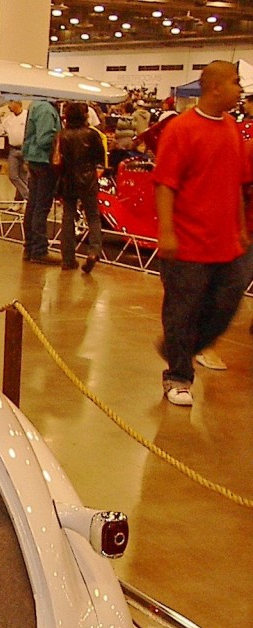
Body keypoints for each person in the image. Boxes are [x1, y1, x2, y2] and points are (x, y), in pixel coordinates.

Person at [151, 60, 253, 407]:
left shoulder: (232, 129)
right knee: (182, 310)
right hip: (187, 244)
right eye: (236, 82)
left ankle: (178, 347)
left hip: (226, 244)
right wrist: (167, 232)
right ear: (215, 87)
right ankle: (178, 377)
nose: (241, 89)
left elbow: (238, 185)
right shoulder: (181, 129)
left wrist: (240, 229)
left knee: (227, 302)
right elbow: (164, 184)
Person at [56, 102, 106, 272]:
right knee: (93, 216)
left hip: (68, 179)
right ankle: (94, 250)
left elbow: (57, 160)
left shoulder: (62, 135)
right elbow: (100, 157)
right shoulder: (92, 134)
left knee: (68, 216)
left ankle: (68, 259)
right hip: (88, 178)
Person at [21, 99, 62, 265]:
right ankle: (39, 250)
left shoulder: (35, 105)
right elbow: (44, 139)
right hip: (44, 161)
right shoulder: (46, 109)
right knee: (41, 206)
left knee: (33, 204)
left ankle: (29, 247)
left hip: (34, 160)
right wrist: (60, 139)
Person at [0, 100, 29, 200]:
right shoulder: (8, 119)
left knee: (24, 177)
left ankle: (19, 201)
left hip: (25, 149)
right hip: (13, 150)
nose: (9, 106)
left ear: (17, 104)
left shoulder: (27, 115)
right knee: (13, 176)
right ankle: (28, 196)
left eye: (10, 103)